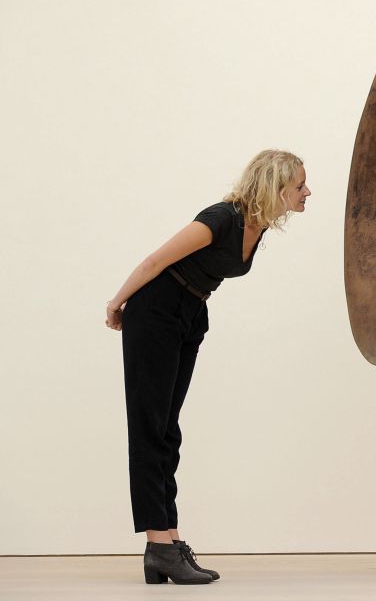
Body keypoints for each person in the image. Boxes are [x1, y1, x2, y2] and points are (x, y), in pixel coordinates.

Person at [105, 150, 311, 584]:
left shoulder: (258, 228)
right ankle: (158, 543)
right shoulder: (221, 218)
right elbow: (154, 261)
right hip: (156, 311)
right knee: (150, 426)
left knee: (168, 429)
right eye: (299, 186)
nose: (307, 192)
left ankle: (169, 542)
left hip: (190, 313)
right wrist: (117, 302)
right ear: (274, 186)